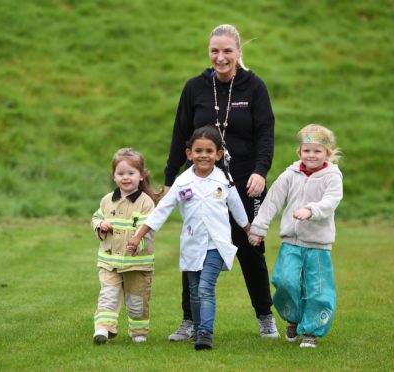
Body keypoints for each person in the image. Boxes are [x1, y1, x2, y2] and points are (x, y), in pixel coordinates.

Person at [164, 23, 278, 340]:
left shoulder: (254, 87)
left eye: (227, 50)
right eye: (215, 50)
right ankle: (190, 321)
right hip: (200, 180)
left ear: (239, 52)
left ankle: (265, 317)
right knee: (195, 247)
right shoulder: (194, 87)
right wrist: (171, 177)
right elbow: (179, 135)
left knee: (251, 247)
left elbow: (265, 135)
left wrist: (260, 171)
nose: (221, 57)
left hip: (244, 179)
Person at [128, 126, 250, 350]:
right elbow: (162, 210)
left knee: (205, 288)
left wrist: (249, 230)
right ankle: (195, 328)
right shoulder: (182, 182)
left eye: (209, 151)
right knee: (194, 291)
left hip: (216, 244)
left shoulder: (224, 180)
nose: (204, 155)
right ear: (189, 154)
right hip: (192, 244)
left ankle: (205, 332)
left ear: (218, 155)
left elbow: (237, 206)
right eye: (198, 150)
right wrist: (138, 236)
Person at [248, 124, 343, 348]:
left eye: (318, 151)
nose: (312, 155)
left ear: (327, 153)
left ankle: (311, 331)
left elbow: (331, 201)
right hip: (290, 241)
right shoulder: (290, 174)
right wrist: (258, 229)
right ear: (299, 152)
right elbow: (272, 200)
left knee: (317, 288)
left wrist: (311, 210)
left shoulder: (332, 176)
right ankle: (293, 317)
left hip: (318, 244)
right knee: (284, 280)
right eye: (307, 150)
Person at [90, 148, 162, 344]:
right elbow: (96, 217)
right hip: (109, 262)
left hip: (137, 263)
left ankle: (138, 332)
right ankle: (103, 329)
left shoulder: (146, 203)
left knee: (137, 301)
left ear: (141, 175)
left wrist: (137, 242)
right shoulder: (107, 200)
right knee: (108, 295)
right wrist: (100, 226)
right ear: (114, 176)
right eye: (120, 173)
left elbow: (148, 228)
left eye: (131, 173)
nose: (125, 177)